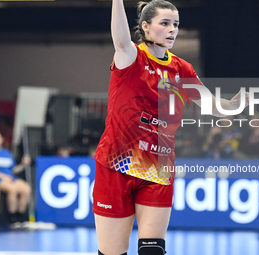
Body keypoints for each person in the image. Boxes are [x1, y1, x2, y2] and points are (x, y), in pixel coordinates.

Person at [92, 1, 249, 254]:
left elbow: (212, 106)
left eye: (175, 24)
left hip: (157, 168)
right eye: (164, 23)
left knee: (153, 250)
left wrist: (233, 106)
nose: (172, 29)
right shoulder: (131, 57)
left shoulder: (182, 69)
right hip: (116, 164)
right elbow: (120, 41)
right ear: (145, 27)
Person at [0, 130, 31, 223]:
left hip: (11, 178)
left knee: (26, 189)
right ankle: (12, 217)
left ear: (2, 139)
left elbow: (13, 170)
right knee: (12, 190)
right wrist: (3, 177)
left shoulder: (7, 153)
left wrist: (23, 164)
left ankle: (20, 216)